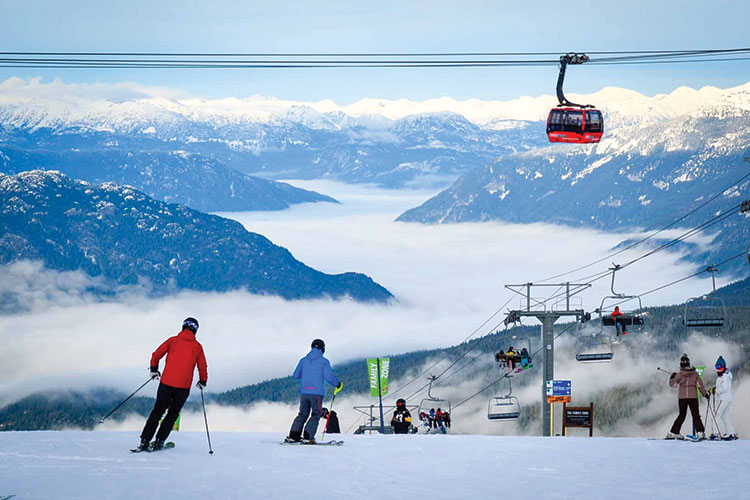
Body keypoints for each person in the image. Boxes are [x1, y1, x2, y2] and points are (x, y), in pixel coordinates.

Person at [137, 317, 208, 451]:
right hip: (183, 388)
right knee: (173, 413)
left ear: (183, 327)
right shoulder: (197, 347)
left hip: (166, 384)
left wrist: (154, 369)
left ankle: (144, 441)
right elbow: (202, 367)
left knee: (157, 412)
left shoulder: (172, 341)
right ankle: (159, 441)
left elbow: (156, 355)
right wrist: (203, 381)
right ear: (195, 331)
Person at [285, 339, 342, 444]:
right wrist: (337, 384)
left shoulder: (303, 360)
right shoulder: (324, 362)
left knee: (302, 414)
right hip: (317, 394)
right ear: (322, 349)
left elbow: (296, 375)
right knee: (316, 414)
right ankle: (308, 436)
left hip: (304, 392)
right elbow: (329, 377)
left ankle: (294, 436)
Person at [667, 353, 709, 440]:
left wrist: (672, 377)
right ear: (689, 364)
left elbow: (673, 385)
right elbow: (700, 385)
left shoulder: (679, 374)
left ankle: (674, 432)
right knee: (696, 415)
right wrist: (705, 394)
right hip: (693, 397)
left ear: (681, 364)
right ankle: (700, 432)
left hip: (682, 398)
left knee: (682, 415)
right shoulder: (695, 374)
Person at [709, 356, 736, 440]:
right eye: (716, 367)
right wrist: (714, 389)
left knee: (716, 415)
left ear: (724, 366)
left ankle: (716, 433)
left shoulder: (725, 376)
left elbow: (724, 388)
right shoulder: (725, 375)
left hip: (723, 399)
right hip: (728, 398)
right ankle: (731, 433)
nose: (718, 369)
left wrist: (716, 390)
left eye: (720, 367)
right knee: (724, 416)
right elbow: (722, 387)